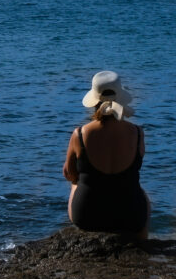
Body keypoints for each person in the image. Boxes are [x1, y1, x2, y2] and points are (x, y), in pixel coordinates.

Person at [63, 70, 150, 238]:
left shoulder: (80, 134)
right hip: (130, 217)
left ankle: (82, 238)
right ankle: (142, 246)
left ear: (94, 101)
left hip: (88, 218)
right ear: (120, 99)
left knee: (75, 184)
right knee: (142, 195)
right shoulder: (137, 133)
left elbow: (69, 174)